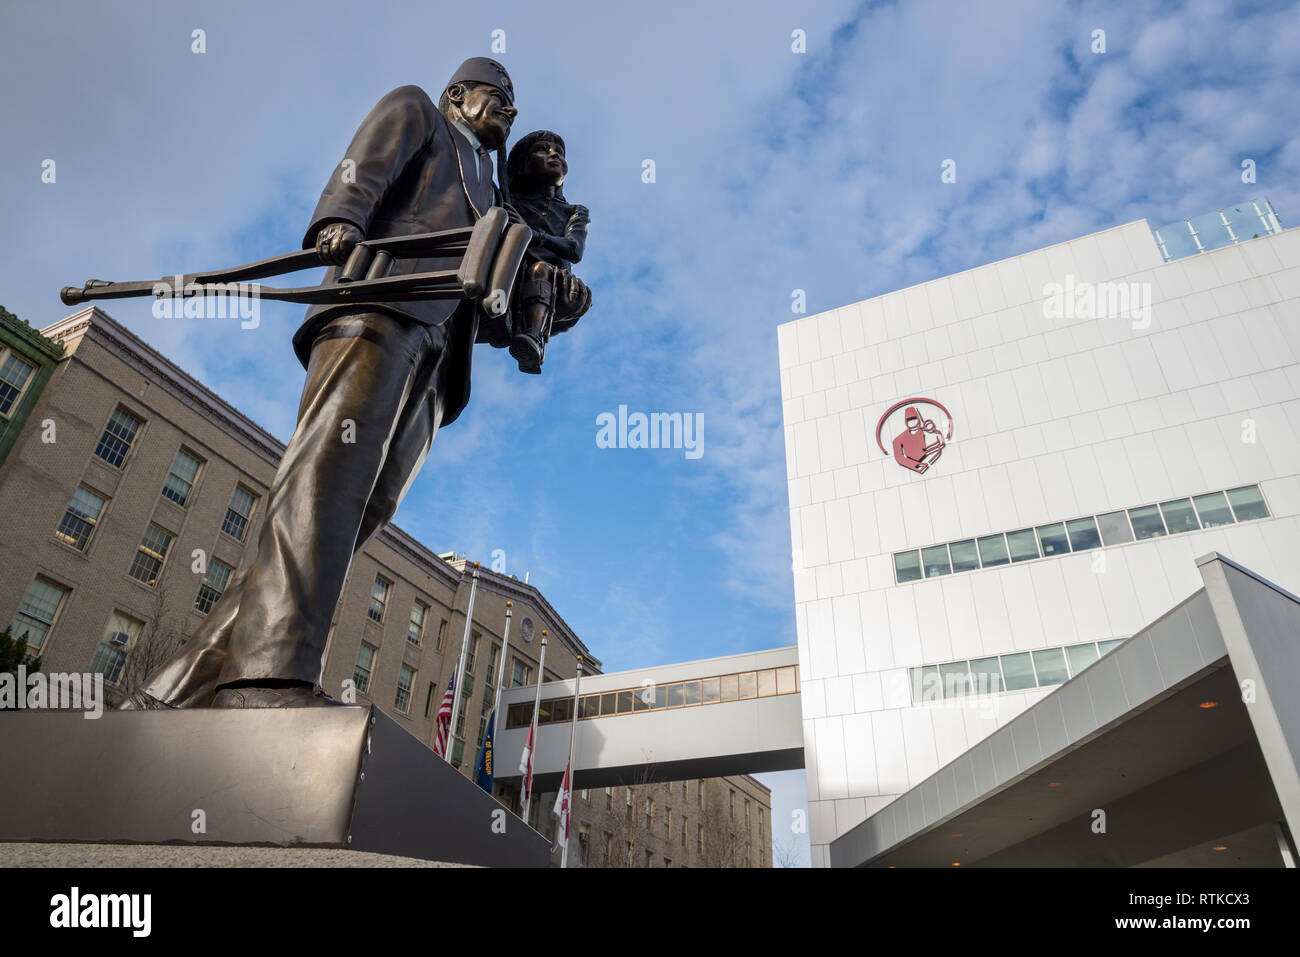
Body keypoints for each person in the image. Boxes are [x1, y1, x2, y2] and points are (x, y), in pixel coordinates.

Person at [125, 58, 534, 709]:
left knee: (361, 507)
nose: (512, 110)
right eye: (501, 97)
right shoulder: (419, 111)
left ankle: (187, 682)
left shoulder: (493, 190)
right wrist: (339, 222)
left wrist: (543, 302)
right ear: (458, 93)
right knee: (326, 479)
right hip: (376, 305)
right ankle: (264, 679)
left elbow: (485, 295)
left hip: (438, 355)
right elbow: (363, 168)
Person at [503, 129, 592, 373]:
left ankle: (533, 338)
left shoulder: (575, 211)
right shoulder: (509, 201)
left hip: (553, 281)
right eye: (543, 150)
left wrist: (531, 233)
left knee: (540, 270)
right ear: (523, 165)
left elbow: (574, 249)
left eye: (560, 153)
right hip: (509, 271)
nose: (554, 155)